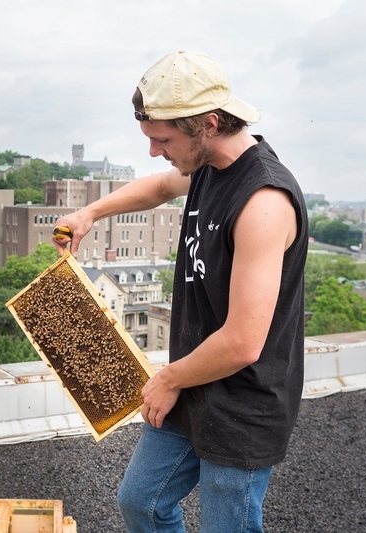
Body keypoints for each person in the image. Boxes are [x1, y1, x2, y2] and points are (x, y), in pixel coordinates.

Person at [53, 50, 308, 533]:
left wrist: (168, 380)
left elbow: (242, 343)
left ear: (209, 123)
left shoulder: (264, 202)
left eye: (162, 139)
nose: (153, 151)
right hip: (194, 382)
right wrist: (88, 215)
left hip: (243, 401)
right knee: (142, 503)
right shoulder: (209, 163)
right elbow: (158, 188)